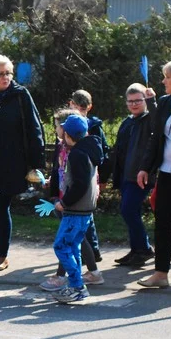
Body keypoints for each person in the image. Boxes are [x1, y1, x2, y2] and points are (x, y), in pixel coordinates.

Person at [0, 54, 45, 272]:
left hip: (12, 161)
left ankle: (2, 255)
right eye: (0, 73)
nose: (6, 77)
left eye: (9, 73)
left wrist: (36, 163)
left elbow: (34, 128)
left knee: (1, 206)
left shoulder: (20, 95)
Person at [39, 108, 103, 291]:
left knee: (63, 246)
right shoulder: (81, 148)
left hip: (74, 207)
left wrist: (64, 202)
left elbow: (80, 184)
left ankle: (72, 283)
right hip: (77, 206)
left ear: (67, 133)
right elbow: (66, 175)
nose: (56, 130)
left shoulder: (77, 153)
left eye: (58, 127)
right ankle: (78, 285)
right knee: (73, 244)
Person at [136, 60, 171, 288]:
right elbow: (156, 136)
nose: (163, 81)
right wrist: (145, 167)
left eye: (167, 77)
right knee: (163, 223)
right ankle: (161, 274)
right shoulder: (166, 102)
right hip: (168, 173)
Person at [112, 83, 157, 267]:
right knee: (131, 211)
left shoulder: (150, 119)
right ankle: (136, 249)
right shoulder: (127, 122)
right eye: (130, 101)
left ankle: (144, 249)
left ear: (144, 100)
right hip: (126, 175)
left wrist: (152, 101)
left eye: (138, 100)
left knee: (128, 209)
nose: (134, 104)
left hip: (141, 175)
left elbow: (158, 122)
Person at [69, 89, 111, 262]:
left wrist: (103, 179)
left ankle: (92, 252)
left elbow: (103, 153)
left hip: (90, 175)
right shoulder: (67, 125)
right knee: (80, 216)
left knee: (86, 215)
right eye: (76, 107)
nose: (79, 111)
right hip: (72, 174)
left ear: (89, 107)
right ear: (70, 104)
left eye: (83, 108)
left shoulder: (94, 127)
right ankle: (85, 251)